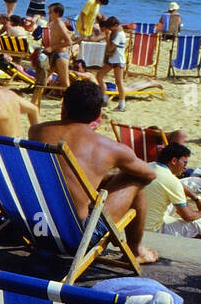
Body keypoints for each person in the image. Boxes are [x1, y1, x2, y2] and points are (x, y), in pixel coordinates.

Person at [28, 80, 159, 264]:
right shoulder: (109, 148)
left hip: (32, 226)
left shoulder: (37, 131)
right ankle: (136, 250)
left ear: (63, 106)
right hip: (77, 239)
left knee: (106, 179)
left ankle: (133, 247)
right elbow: (150, 174)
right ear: (98, 114)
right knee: (134, 179)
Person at [143, 143, 201, 239]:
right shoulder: (171, 181)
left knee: (175, 197)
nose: (186, 167)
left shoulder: (150, 166)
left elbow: (177, 184)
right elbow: (188, 217)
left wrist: (196, 198)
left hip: (137, 223)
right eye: (184, 163)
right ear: (174, 161)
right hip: (152, 230)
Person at [94, 15, 128, 111]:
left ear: (116, 25)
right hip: (112, 59)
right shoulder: (115, 32)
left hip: (118, 60)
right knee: (99, 76)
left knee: (119, 82)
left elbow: (110, 48)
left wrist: (108, 36)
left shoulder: (119, 34)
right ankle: (104, 97)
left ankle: (122, 104)